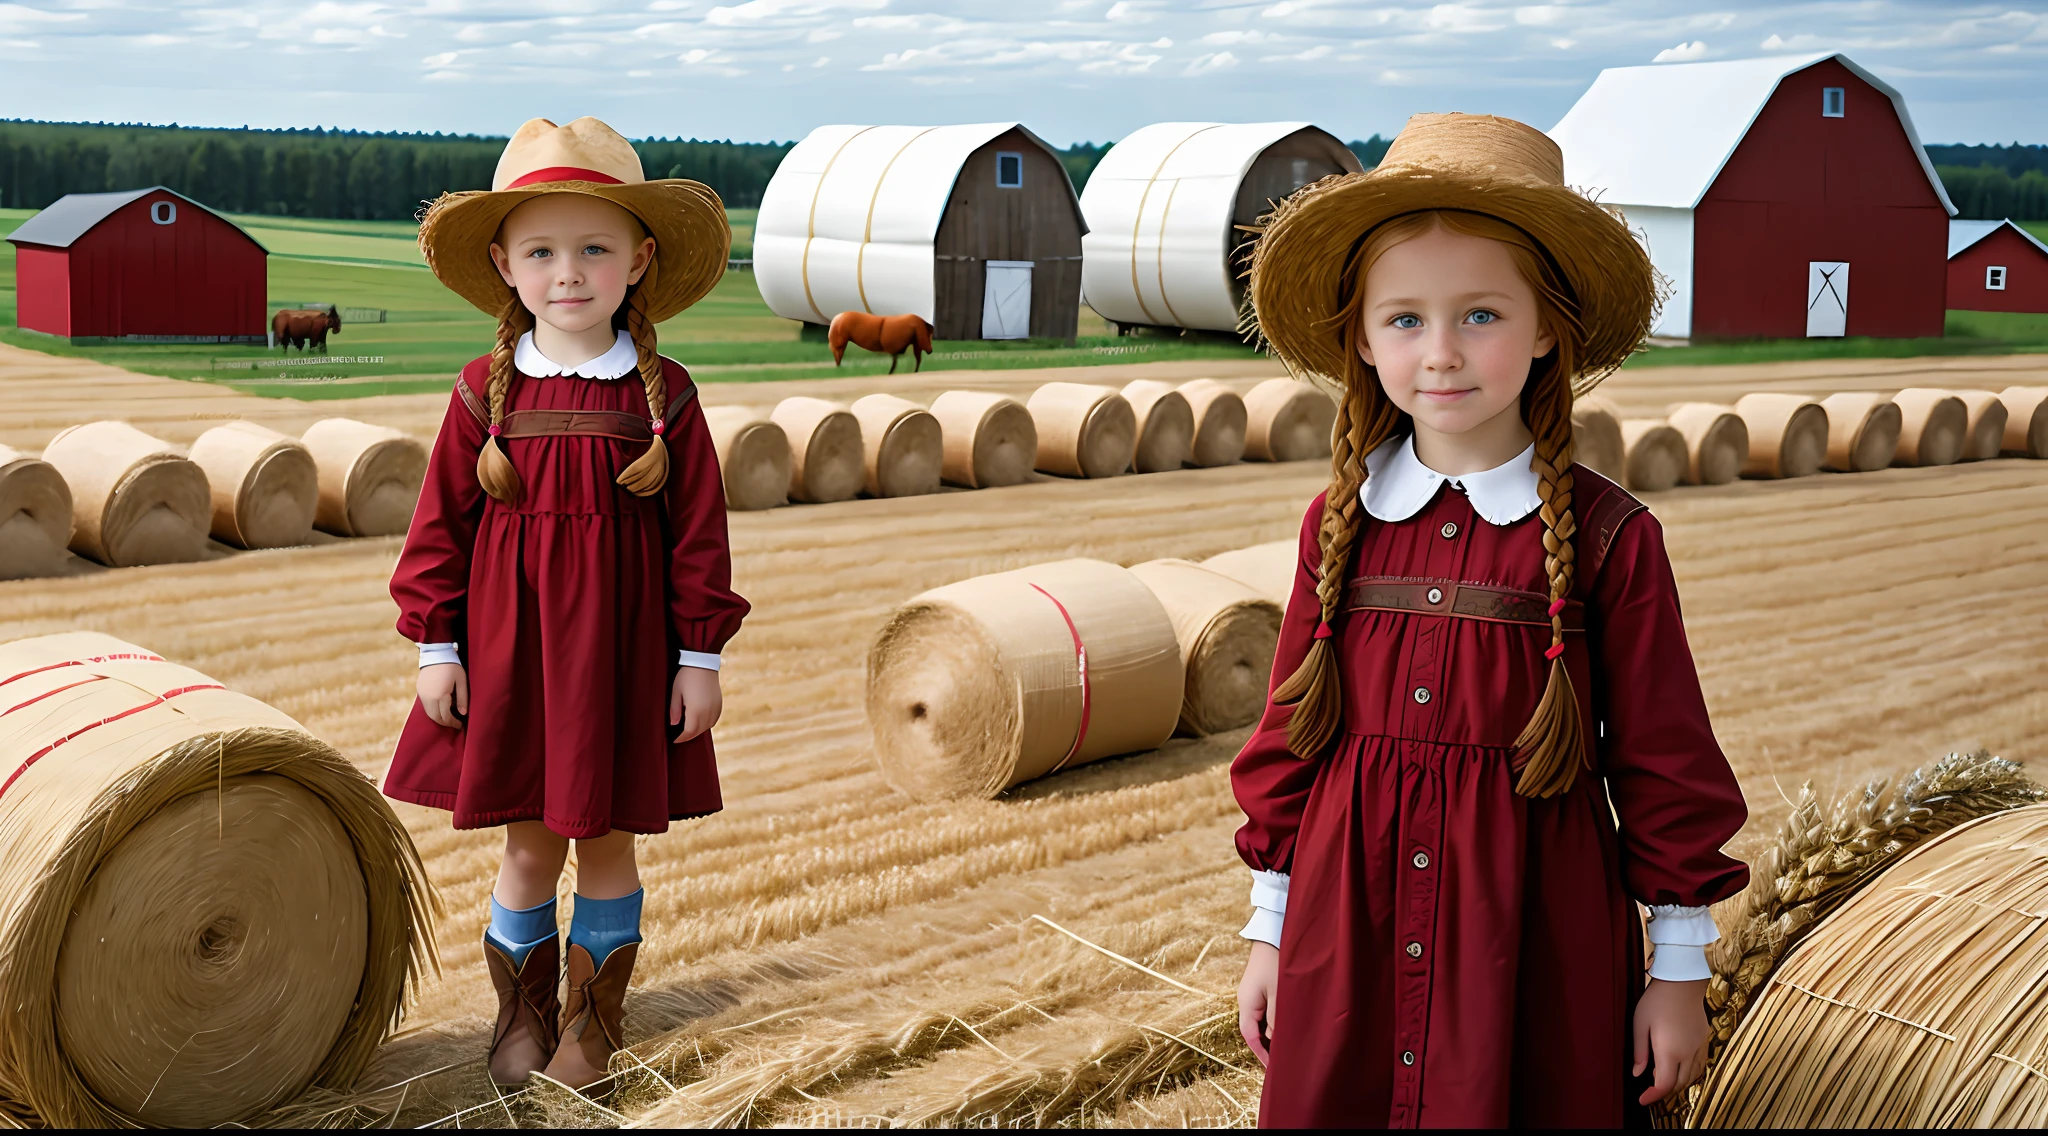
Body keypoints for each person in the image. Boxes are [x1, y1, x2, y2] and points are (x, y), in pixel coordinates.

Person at [1230, 113, 1749, 1128]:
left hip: (1532, 939)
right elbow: (1289, 746)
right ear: (1361, 337)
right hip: (1349, 931)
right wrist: (1267, 931)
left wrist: (1677, 971)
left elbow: (1661, 759)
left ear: (1547, 325)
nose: (1440, 353)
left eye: (1479, 315)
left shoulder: (1608, 537)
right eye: (1404, 319)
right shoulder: (1335, 526)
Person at [385, 117, 748, 1090]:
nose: (569, 271)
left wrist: (700, 659)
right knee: (526, 841)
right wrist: (436, 646)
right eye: (542, 250)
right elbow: (438, 536)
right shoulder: (481, 397)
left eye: (595, 248)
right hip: (512, 658)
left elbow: (699, 535)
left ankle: (591, 1025)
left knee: (608, 838)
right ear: (505, 263)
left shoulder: (665, 395)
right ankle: (520, 1014)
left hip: (624, 660)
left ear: (639, 259)